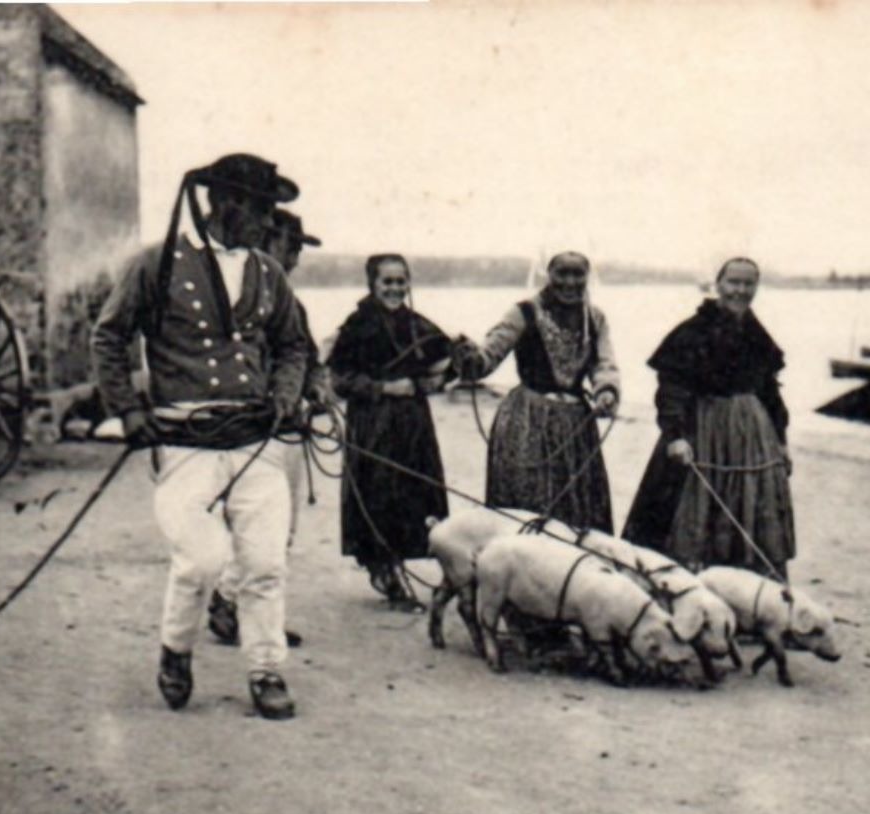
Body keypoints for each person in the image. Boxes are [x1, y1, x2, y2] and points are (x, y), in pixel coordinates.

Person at [91, 153, 313, 720]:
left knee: (264, 563)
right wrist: (128, 410)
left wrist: (286, 398)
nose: (268, 223)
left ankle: (266, 670)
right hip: (186, 441)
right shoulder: (157, 264)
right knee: (202, 558)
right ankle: (176, 649)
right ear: (226, 204)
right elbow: (109, 338)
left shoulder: (268, 273)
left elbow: (293, 345)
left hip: (255, 439)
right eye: (262, 209)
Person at [621, 257, 795, 575]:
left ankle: (743, 584)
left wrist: (781, 441)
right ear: (719, 285)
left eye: (748, 283)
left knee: (750, 509)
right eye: (733, 282)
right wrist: (674, 436)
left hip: (752, 438)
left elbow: (770, 392)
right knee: (689, 509)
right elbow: (670, 388)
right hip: (703, 432)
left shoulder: (757, 335)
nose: (740, 291)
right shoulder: (692, 332)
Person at [206, 208, 327, 648]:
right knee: (267, 527)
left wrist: (318, 388)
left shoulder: (286, 297)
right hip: (260, 428)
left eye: (296, 249)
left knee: (276, 527)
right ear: (269, 242)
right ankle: (229, 603)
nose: (294, 257)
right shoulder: (251, 295)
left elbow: (305, 355)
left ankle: (235, 605)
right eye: (290, 246)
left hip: (286, 425)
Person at [454, 252, 619, 531]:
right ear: (548, 274)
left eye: (577, 274)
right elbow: (489, 355)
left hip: (576, 427)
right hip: (526, 422)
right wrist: (470, 357)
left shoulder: (595, 318)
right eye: (562, 273)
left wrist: (607, 391)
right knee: (526, 506)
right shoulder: (523, 312)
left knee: (579, 510)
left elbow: (604, 363)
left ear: (587, 277)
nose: (570, 282)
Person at [329, 254, 456, 610]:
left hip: (414, 422)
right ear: (373, 284)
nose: (395, 288)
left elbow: (446, 362)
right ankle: (387, 570)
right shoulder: (357, 325)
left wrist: (443, 374)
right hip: (374, 423)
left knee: (417, 492)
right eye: (388, 281)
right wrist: (385, 389)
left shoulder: (417, 324)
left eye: (401, 281)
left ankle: (402, 566)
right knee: (379, 492)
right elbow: (340, 379)